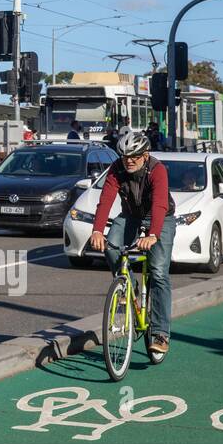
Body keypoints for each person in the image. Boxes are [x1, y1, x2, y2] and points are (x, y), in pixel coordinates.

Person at [88, 129, 176, 356]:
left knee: (158, 272)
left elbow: (159, 205)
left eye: (134, 157)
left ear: (145, 155)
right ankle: (129, 288)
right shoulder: (117, 169)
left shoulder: (157, 170)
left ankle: (160, 333)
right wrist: (97, 231)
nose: (129, 161)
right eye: (125, 157)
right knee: (110, 246)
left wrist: (153, 235)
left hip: (161, 219)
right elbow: (105, 200)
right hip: (130, 216)